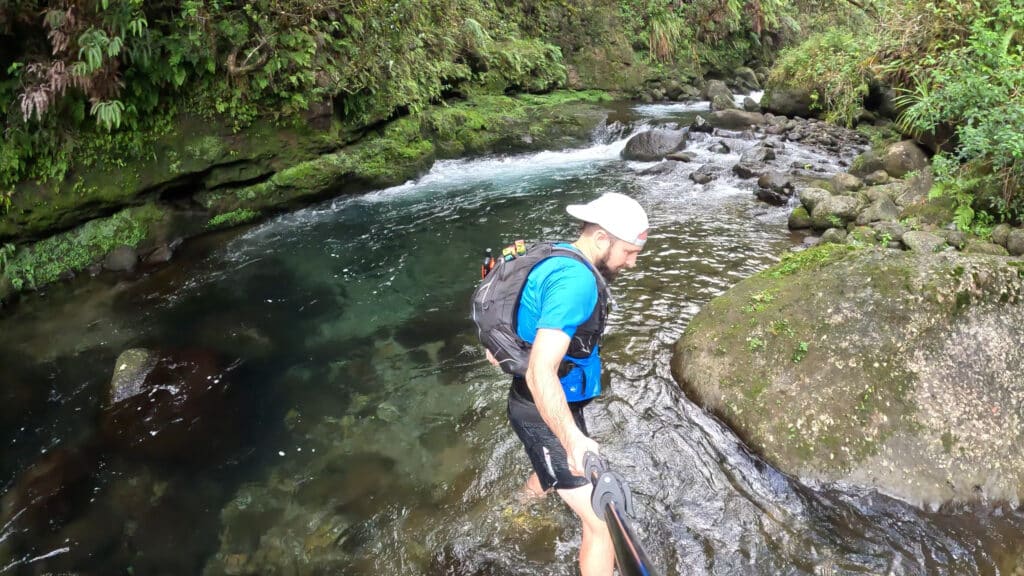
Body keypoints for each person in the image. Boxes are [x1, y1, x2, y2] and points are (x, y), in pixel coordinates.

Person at [485, 192, 649, 576]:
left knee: (560, 462)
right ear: (602, 238)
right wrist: (572, 439)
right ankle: (523, 505)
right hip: (541, 406)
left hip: (548, 400)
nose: (633, 262)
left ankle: (520, 507)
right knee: (603, 523)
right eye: (628, 252)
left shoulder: (557, 253)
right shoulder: (577, 282)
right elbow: (541, 371)